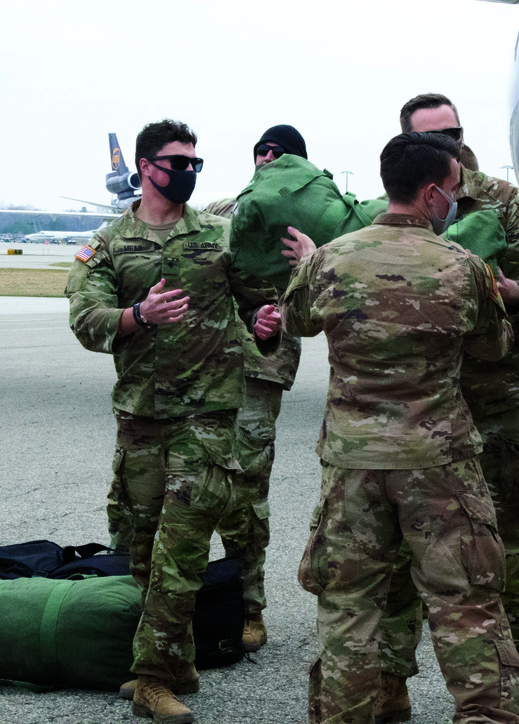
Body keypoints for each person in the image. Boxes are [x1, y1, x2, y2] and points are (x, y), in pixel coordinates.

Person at [280, 131, 519, 724]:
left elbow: (293, 320)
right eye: (451, 189)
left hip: (352, 465)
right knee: (465, 601)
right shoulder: (462, 266)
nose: (455, 199)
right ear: (429, 192)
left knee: (349, 607)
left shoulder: (332, 258)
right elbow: (495, 347)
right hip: (437, 464)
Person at [66, 119, 281, 724]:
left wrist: (267, 322)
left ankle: (151, 680)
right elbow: (86, 318)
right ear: (145, 168)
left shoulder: (219, 235)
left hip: (206, 415)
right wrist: (138, 314)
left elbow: (258, 301)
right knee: (137, 548)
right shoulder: (109, 242)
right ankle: (178, 657)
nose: (187, 170)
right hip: (140, 418)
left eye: (195, 161)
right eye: (176, 161)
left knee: (180, 551)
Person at [375, 93, 519, 722]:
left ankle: (514, 680)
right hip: (417, 408)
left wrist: (510, 289)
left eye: (454, 130)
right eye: (435, 135)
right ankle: (390, 683)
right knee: (399, 554)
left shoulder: (502, 203)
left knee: (502, 545)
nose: (450, 142)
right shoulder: (390, 213)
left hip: (492, 400)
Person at [203, 124, 308, 653]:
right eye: (259, 151)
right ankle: (183, 606)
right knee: (191, 487)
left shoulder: (303, 227)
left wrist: (279, 317)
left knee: (246, 495)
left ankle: (249, 607)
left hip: (257, 371)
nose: (265, 158)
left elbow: (311, 299)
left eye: (278, 152)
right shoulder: (223, 211)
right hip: (205, 366)